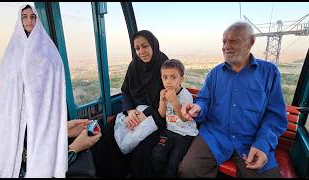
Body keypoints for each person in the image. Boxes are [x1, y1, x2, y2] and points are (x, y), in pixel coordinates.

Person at [179, 21, 287, 178]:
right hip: (215, 135)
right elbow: (204, 99)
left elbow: (275, 116)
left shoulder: (268, 72)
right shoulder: (215, 74)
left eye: (233, 41)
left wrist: (263, 144)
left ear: (251, 42)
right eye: (224, 41)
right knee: (189, 169)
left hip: (251, 139)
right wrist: (198, 108)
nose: (226, 46)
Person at [0, 4, 67, 178]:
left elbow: (56, 73)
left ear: (37, 20)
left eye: (33, 16)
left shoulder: (48, 48)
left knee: (40, 149)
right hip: (16, 109)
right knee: (17, 147)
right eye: (25, 16)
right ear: (20, 20)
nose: (29, 20)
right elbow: (7, 81)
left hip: (41, 110)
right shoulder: (12, 50)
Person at [95, 30, 169, 177]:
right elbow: (126, 91)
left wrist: (143, 115)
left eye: (145, 46)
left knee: (144, 150)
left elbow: (166, 101)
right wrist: (129, 111)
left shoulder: (165, 66)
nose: (141, 51)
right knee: (107, 134)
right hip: (133, 113)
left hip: (157, 117)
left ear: (153, 45)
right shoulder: (134, 66)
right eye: (137, 48)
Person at [150, 59, 199, 177]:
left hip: (185, 134)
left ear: (181, 79)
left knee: (174, 162)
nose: (168, 81)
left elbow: (184, 118)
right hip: (170, 131)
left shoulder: (185, 95)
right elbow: (161, 114)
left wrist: (174, 101)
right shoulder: (164, 93)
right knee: (156, 156)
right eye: (165, 77)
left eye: (173, 77)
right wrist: (162, 100)